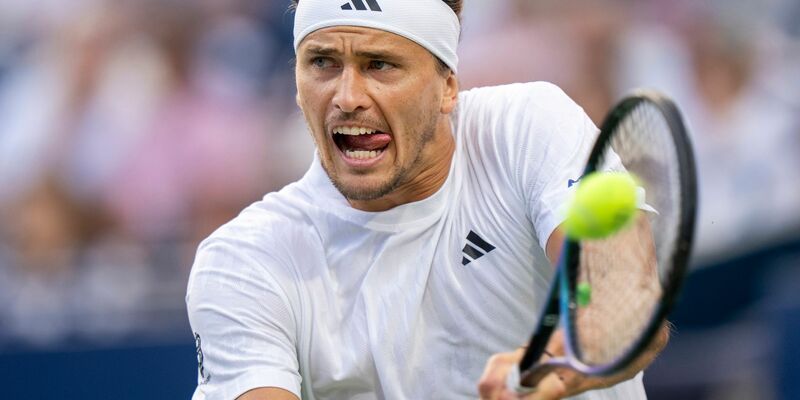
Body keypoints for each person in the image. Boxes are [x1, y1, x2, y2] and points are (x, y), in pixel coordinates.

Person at [186, 0, 667, 399]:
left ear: (447, 88)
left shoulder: (531, 126)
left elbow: (623, 300)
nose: (346, 95)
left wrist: (557, 363)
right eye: (323, 63)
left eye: (380, 65)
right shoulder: (243, 261)